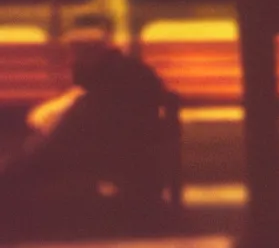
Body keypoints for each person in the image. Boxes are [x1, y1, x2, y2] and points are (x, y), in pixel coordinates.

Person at [0, 15, 169, 209]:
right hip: (120, 144)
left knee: (23, 165)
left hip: (109, 148)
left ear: (92, 51)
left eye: (77, 53)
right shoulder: (122, 73)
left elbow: (68, 135)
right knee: (26, 155)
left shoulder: (105, 89)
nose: (73, 61)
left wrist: (35, 148)